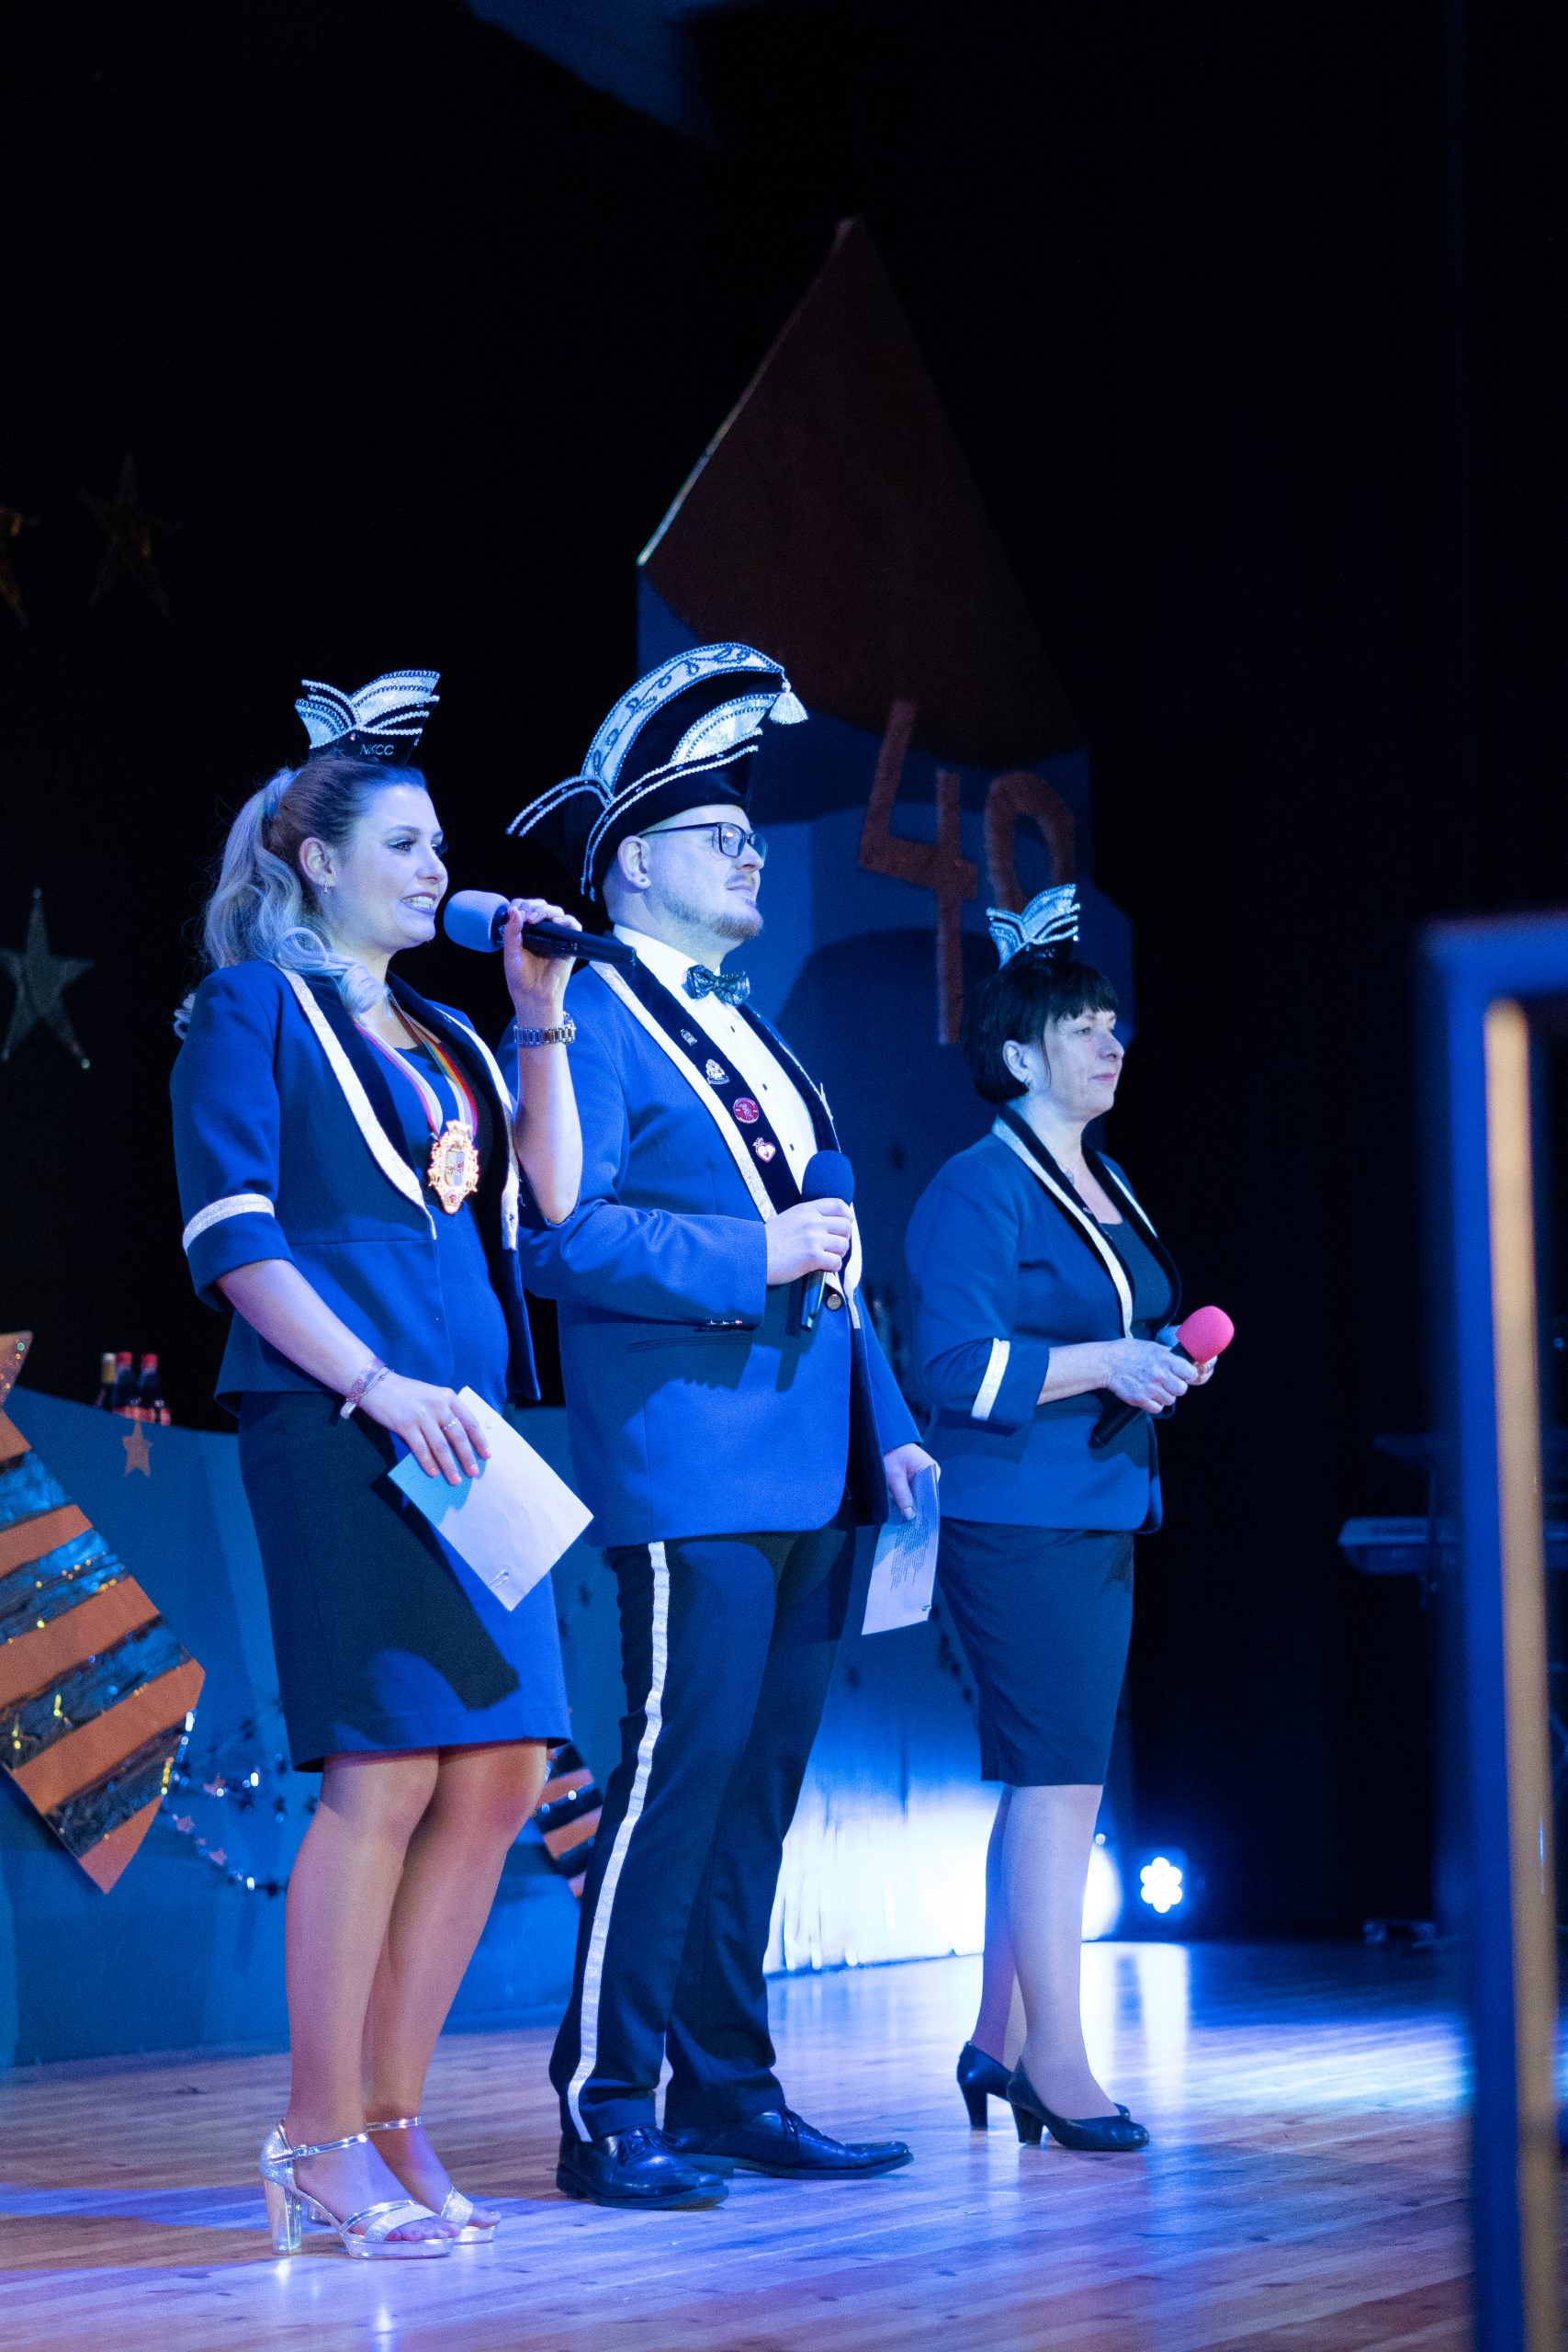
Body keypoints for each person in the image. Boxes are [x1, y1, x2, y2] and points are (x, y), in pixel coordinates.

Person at [506, 642, 935, 2210]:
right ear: (632, 862)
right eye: (719, 835)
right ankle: (607, 2098)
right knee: (677, 1777)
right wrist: (746, 1253)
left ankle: (730, 2088)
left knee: (758, 1791)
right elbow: (558, 1236)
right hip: (691, 1455)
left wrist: (890, 1420)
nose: (751, 853)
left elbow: (834, 1246)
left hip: (814, 1458)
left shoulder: (756, 1029)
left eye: (752, 836)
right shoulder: (590, 1015)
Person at [171, 671, 583, 2258]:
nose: (438, 869)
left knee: (504, 1770)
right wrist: (373, 1383)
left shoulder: (455, 1034)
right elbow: (235, 1242)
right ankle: (317, 2133)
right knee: (386, 1769)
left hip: (469, 1433)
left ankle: (397, 2115)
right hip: (340, 1418)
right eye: (405, 845)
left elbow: (549, 1202)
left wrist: (539, 1015)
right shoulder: (249, 1011)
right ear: (316, 860)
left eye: (440, 845)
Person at [904, 885, 1216, 2155]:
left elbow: (1122, 1323)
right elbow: (953, 1367)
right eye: (1082, 1028)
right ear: (1019, 1054)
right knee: (1058, 1784)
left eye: (1112, 1024)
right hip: (1018, 1516)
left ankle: (998, 2037)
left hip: (1095, 1508)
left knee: (1054, 1786)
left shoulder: (1105, 1178)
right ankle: (1058, 2065)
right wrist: (1109, 1362)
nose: (1110, 1043)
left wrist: (1161, 1357)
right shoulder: (977, 1189)